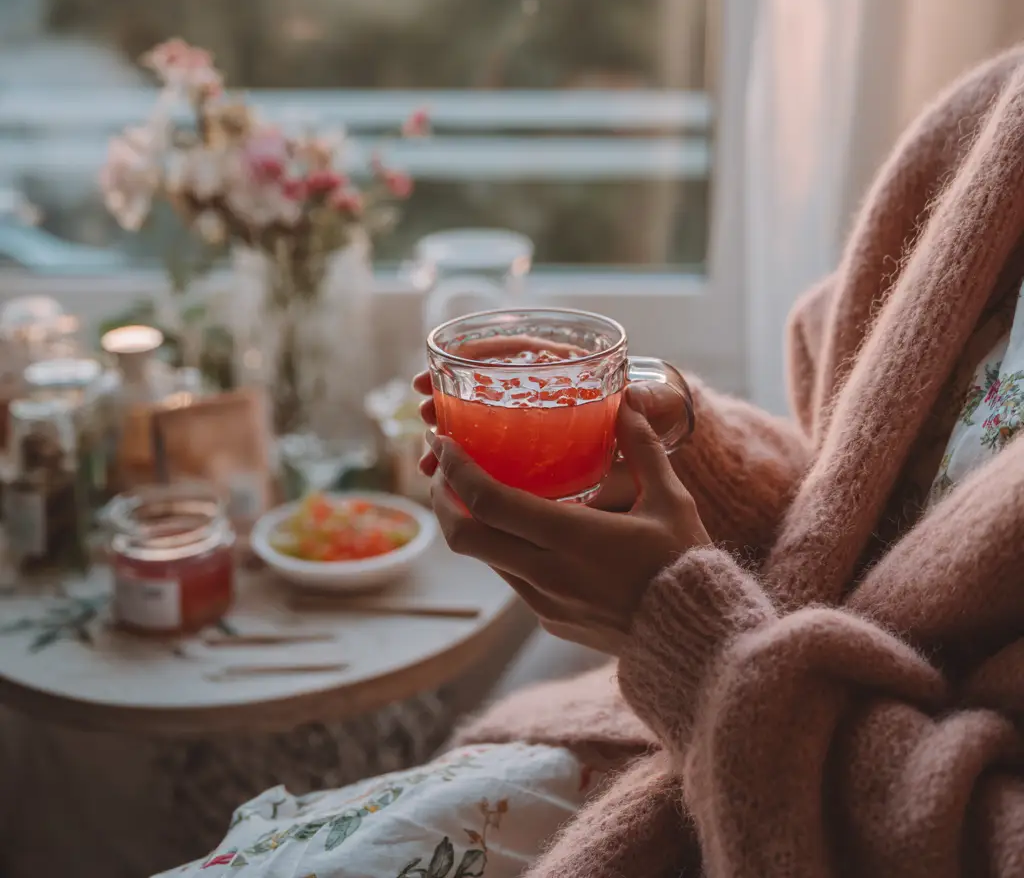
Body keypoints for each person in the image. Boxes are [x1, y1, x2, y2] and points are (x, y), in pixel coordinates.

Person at [165, 48, 1024, 878]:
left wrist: (685, 637)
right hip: (656, 758)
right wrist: (691, 453)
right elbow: (853, 521)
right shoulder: (990, 121)